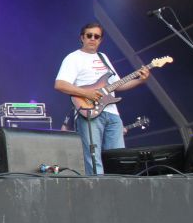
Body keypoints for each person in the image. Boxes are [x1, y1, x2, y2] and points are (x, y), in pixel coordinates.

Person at [55, 22, 149, 175]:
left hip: (112, 114)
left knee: (117, 158)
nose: (92, 38)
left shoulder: (103, 57)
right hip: (89, 112)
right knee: (93, 159)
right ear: (82, 38)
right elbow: (60, 84)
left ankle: (117, 190)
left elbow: (117, 85)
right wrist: (87, 94)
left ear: (100, 40)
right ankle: (97, 192)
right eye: (89, 35)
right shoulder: (73, 58)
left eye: (96, 36)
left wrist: (141, 80)